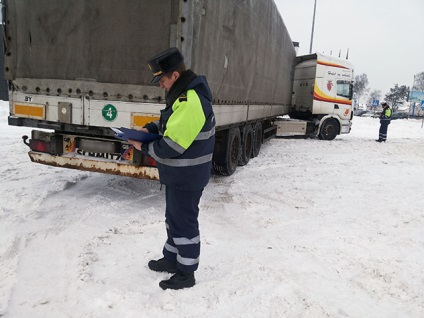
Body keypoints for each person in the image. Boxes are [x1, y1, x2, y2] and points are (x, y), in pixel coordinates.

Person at [128, 47, 215, 290]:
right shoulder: (183, 95)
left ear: (174, 76)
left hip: (187, 176)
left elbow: (171, 145)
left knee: (184, 223)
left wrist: (143, 147)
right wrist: (149, 129)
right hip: (180, 175)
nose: (161, 85)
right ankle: (171, 259)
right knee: (174, 219)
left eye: (162, 79)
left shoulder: (190, 100)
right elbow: (171, 124)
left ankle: (186, 273)